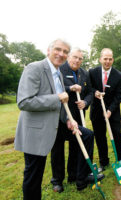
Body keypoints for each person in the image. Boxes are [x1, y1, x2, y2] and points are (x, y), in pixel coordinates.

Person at [14, 39, 78, 199]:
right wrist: (56, 97)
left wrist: (68, 119)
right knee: (33, 176)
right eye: (58, 49)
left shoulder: (58, 74)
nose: (61, 54)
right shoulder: (34, 68)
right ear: (48, 50)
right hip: (35, 133)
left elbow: (60, 104)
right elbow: (24, 101)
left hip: (53, 128)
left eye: (65, 52)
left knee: (38, 173)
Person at [50, 48, 103, 192]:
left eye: (80, 58)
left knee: (77, 145)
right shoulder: (59, 70)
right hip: (59, 117)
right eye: (75, 57)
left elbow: (90, 92)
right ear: (68, 57)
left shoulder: (84, 73)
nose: (77, 60)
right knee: (57, 149)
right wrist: (70, 88)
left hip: (77, 116)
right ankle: (57, 181)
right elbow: (54, 89)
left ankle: (74, 175)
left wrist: (85, 102)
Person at [89, 48, 121, 171]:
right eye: (105, 59)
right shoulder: (92, 72)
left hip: (112, 111)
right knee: (100, 137)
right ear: (100, 59)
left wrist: (110, 110)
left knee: (117, 135)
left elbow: (119, 95)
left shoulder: (119, 75)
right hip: (97, 111)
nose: (107, 61)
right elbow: (89, 88)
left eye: (110, 59)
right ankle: (103, 162)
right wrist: (95, 92)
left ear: (112, 60)